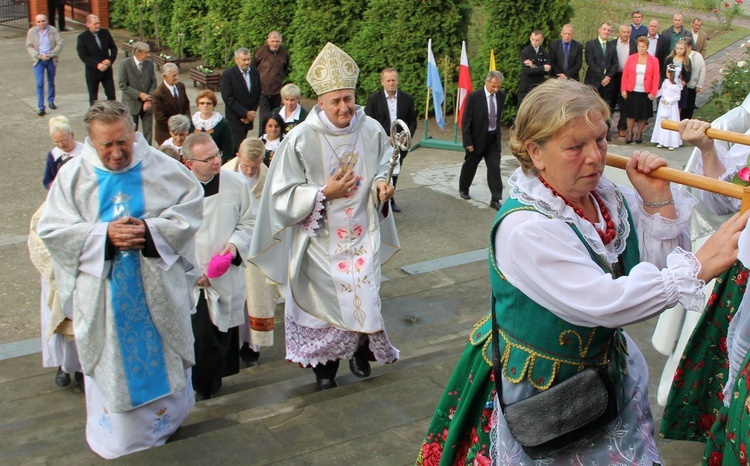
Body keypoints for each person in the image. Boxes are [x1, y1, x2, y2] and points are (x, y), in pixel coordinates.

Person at [416, 78, 747, 465]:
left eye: (601, 140)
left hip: (604, 375)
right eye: (575, 147)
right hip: (539, 390)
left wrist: (656, 198)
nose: (596, 157)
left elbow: (653, 274)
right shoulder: (527, 229)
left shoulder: (604, 197)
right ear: (536, 152)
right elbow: (608, 303)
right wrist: (700, 266)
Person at [37, 100, 203, 459]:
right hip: (106, 298)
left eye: (122, 142)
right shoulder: (74, 175)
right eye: (106, 145)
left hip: (155, 292)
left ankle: (169, 424)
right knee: (116, 369)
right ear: (91, 142)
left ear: (134, 133)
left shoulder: (162, 167)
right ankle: (121, 440)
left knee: (161, 356)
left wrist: (149, 230)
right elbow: (51, 230)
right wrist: (102, 237)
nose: (116, 153)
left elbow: (190, 209)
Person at [248, 42, 400, 391]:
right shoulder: (300, 138)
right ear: (321, 102)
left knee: (365, 297)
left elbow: (385, 162)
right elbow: (280, 193)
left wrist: (382, 184)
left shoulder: (371, 128)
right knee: (325, 306)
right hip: (320, 241)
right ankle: (325, 369)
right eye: (336, 101)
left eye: (348, 98)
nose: (345, 107)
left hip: (363, 234)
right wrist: (322, 193)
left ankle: (360, 350)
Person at [183, 132, 254, 401]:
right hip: (192, 278)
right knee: (199, 335)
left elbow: (249, 222)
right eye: (208, 158)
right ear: (189, 163)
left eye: (217, 154)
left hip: (224, 272)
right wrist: (193, 271)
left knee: (221, 333)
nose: (217, 161)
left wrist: (235, 246)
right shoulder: (178, 190)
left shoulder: (236, 184)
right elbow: (170, 234)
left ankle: (213, 384)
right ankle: (199, 388)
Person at [31, 115, 83, 390]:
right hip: (58, 279)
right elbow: (38, 242)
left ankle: (83, 370)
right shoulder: (47, 211)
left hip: (81, 275)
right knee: (62, 324)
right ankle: (63, 367)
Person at [223, 137, 279, 365]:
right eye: (245, 165)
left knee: (254, 299)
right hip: (229, 243)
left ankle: (252, 344)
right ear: (237, 155)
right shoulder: (225, 174)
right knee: (231, 296)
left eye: (254, 167)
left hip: (257, 248)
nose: (248, 170)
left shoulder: (270, 178)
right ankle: (231, 344)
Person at [365, 67, 418, 213]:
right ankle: (377, 199)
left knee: (395, 172)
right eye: (388, 80)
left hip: (399, 145)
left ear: (397, 81)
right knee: (380, 172)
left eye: (393, 80)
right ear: (382, 82)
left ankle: (390, 199)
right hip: (381, 144)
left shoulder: (407, 99)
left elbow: (412, 121)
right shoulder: (373, 99)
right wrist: (384, 136)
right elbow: (368, 122)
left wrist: (407, 137)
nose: (391, 83)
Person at [459, 71, 505, 210]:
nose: (496, 90)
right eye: (493, 86)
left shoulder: (501, 96)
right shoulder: (474, 97)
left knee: (494, 168)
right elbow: (466, 120)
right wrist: (468, 142)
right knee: (470, 165)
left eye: (498, 87)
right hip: (476, 139)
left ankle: (496, 198)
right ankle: (464, 188)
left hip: (492, 140)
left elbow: (497, 118)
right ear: (486, 82)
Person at [221, 47, 261, 154]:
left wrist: (251, 114)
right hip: (235, 119)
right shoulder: (228, 74)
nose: (247, 62)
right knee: (238, 150)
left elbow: (257, 94)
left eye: (248, 59)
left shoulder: (255, 72)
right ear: (236, 60)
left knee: (243, 144)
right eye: (244, 60)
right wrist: (245, 113)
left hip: (248, 119)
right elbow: (228, 98)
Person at [621, 36, 660, 144]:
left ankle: (639, 133)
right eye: (639, 46)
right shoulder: (631, 58)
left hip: (645, 91)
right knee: (630, 114)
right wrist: (623, 90)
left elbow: (656, 77)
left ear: (647, 47)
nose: (641, 49)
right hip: (632, 90)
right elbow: (625, 75)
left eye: (643, 47)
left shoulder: (654, 60)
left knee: (643, 114)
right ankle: (630, 133)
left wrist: (653, 92)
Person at [118, 42, 156, 145]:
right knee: (130, 131)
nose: (148, 55)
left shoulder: (149, 64)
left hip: (147, 104)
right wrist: (139, 95)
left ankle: (148, 151)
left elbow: (153, 82)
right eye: (146, 53)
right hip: (131, 104)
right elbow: (123, 85)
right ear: (138, 53)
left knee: (148, 131)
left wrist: (148, 99)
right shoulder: (125, 64)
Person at [584, 22, 618, 136]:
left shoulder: (612, 47)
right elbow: (590, 62)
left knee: (606, 108)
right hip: (593, 81)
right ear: (599, 30)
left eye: (608, 30)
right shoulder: (591, 44)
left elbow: (615, 64)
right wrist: (602, 77)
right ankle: (590, 130)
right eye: (604, 29)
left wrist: (608, 77)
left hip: (608, 84)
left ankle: (604, 132)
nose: (606, 32)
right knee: (590, 106)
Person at [252, 31, 291, 130]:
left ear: (281, 42)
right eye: (272, 41)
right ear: (268, 41)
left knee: (275, 116)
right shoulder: (261, 52)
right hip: (263, 90)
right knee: (264, 117)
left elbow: (286, 69)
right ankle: (262, 138)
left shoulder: (284, 53)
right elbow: (253, 68)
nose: (275, 44)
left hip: (277, 91)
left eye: (277, 41)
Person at [26, 14, 63, 116]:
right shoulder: (31, 32)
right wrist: (38, 55)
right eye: (38, 22)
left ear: (47, 21)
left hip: (50, 59)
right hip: (39, 60)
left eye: (43, 21)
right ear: (35, 23)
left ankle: (51, 101)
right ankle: (41, 107)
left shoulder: (53, 30)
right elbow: (29, 46)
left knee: (51, 81)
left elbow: (60, 43)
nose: (41, 23)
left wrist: (51, 54)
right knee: (39, 83)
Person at [77, 14, 117, 106]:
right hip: (93, 72)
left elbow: (114, 48)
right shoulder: (82, 37)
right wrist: (97, 65)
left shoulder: (105, 33)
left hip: (106, 70)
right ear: (88, 24)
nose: (98, 26)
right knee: (93, 98)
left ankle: (112, 115)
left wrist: (110, 60)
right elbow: (83, 56)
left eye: (99, 23)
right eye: (95, 24)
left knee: (111, 95)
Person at [152, 62, 191, 146]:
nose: (177, 77)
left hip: (182, 132)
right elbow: (160, 118)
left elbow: (186, 106)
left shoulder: (180, 86)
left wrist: (186, 123)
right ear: (164, 76)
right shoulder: (158, 94)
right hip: (166, 134)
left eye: (177, 74)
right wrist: (177, 127)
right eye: (173, 75)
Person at [192, 90, 234, 163]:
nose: (205, 106)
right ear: (198, 105)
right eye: (202, 103)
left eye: (208, 103)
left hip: (215, 162)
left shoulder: (223, 123)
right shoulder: (192, 122)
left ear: (213, 105)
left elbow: (228, 149)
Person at [43, 115, 83, 190]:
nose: (61, 145)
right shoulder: (53, 155)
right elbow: (47, 179)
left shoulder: (84, 152)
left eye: (63, 140)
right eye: (56, 142)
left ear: (72, 135)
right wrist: (52, 186)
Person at [651, 65, 683, 150]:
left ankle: (672, 142)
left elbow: (677, 97)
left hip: (671, 106)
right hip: (663, 104)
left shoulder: (676, 85)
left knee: (671, 121)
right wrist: (655, 95)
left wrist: (668, 100)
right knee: (661, 120)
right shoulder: (665, 82)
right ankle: (661, 140)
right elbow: (662, 90)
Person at [613, 24, 637, 138]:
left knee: (625, 102)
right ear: (619, 32)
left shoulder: (634, 45)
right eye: (624, 32)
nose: (626, 34)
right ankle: (606, 126)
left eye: (628, 32)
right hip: (614, 76)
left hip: (627, 77)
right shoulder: (612, 44)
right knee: (611, 101)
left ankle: (622, 127)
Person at [517, 30, 550, 105]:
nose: (534, 42)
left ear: (542, 40)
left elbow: (547, 70)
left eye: (537, 40)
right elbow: (526, 71)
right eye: (533, 39)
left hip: (538, 86)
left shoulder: (545, 53)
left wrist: (533, 66)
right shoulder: (525, 52)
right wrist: (541, 68)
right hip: (526, 87)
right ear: (530, 38)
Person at [663, 39, 692, 117]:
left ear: (685, 49)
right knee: (667, 106)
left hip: (680, 89)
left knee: (678, 107)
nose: (679, 50)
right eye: (678, 48)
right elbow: (663, 73)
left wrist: (681, 85)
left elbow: (688, 75)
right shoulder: (669, 59)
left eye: (681, 48)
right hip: (669, 88)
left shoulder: (687, 60)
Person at [682, 36, 706, 120]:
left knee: (690, 105)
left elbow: (702, 70)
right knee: (682, 106)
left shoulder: (697, 56)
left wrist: (699, 85)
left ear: (689, 47)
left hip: (692, 86)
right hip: (682, 86)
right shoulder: (681, 55)